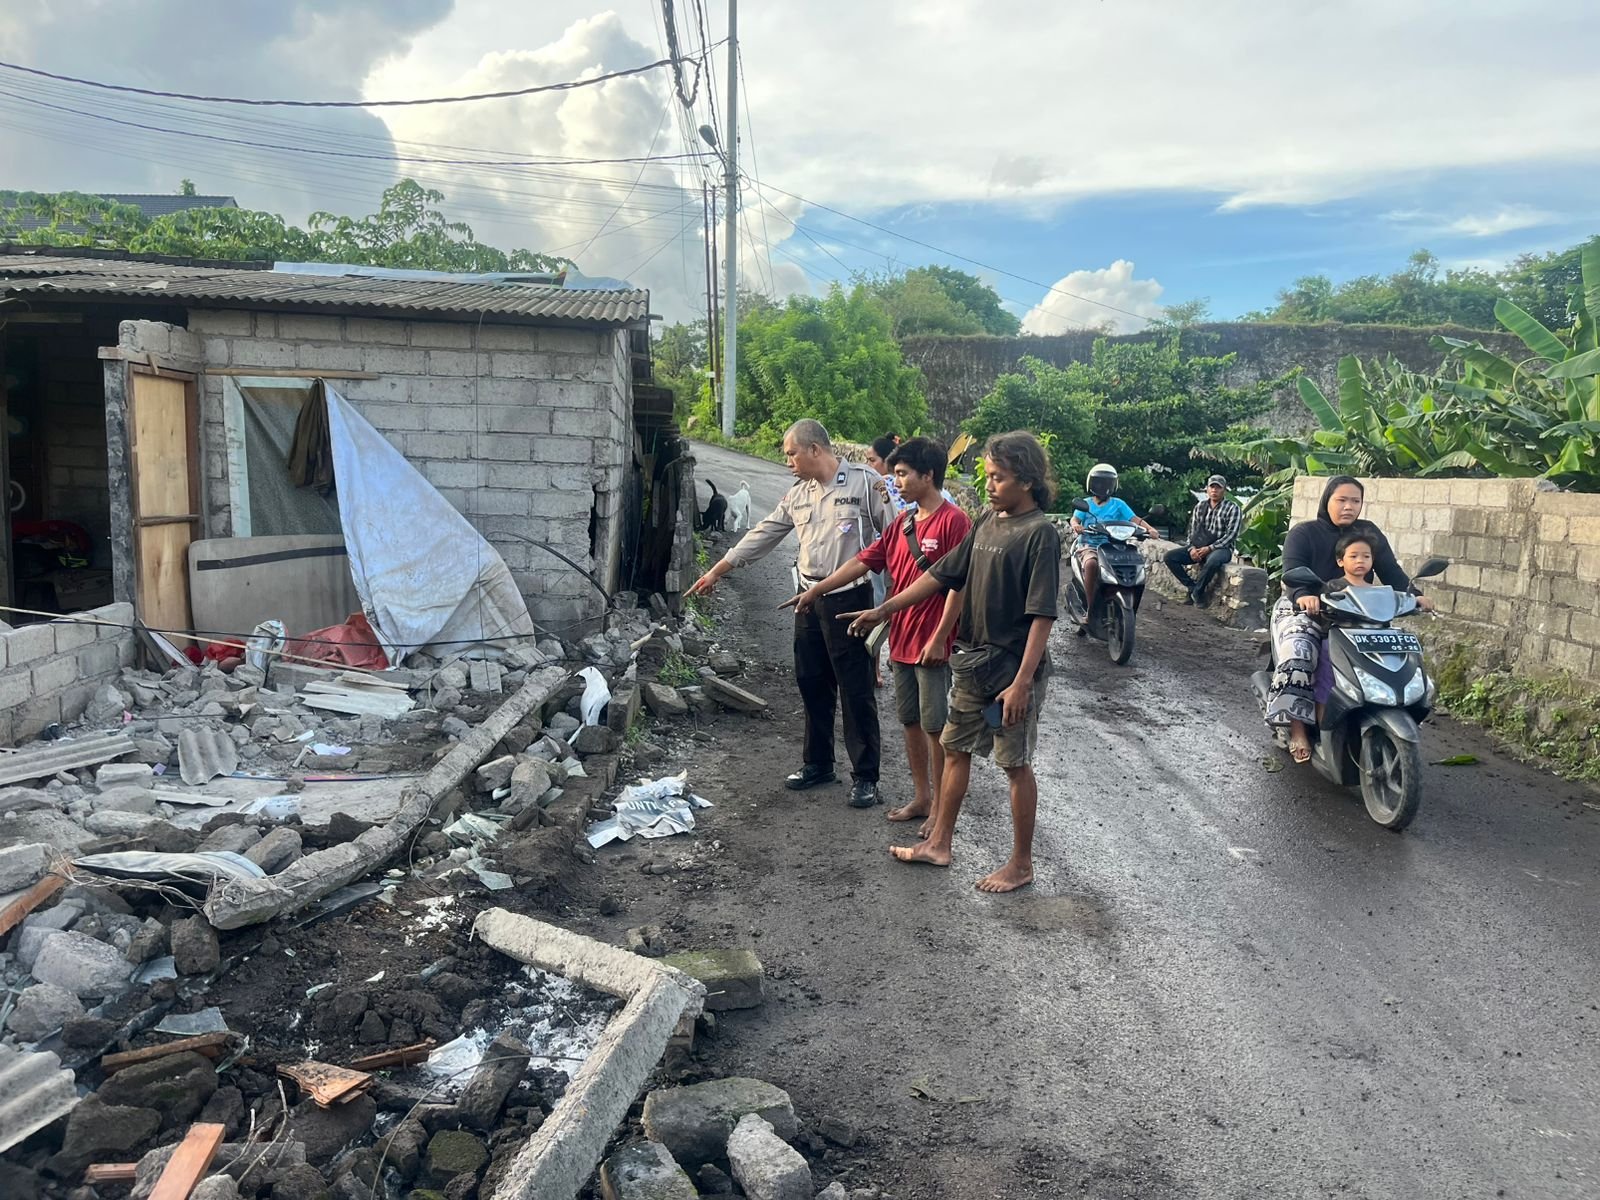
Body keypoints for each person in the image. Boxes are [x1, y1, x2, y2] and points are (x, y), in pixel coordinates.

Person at [842, 430, 1060, 894]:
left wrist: (1022, 682)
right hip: (972, 663)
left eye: (998, 478)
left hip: (1010, 669)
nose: (990, 486)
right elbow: (942, 576)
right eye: (988, 477)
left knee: (1014, 764)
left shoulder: (1039, 533)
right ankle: (940, 842)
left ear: (1026, 480)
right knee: (955, 749)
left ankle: (1021, 863)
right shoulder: (987, 520)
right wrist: (885, 610)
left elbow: (1042, 616)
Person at [686, 419, 896, 807]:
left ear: (815, 449)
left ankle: (866, 776)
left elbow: (896, 536)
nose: (788, 462)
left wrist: (892, 607)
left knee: (856, 689)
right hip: (807, 597)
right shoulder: (799, 494)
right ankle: (818, 763)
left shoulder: (865, 483)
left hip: (850, 599)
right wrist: (718, 569)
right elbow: (764, 532)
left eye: (792, 453)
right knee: (811, 682)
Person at [782, 436, 971, 834]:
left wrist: (941, 637)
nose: (895, 482)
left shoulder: (954, 521)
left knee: (936, 727)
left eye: (902, 474)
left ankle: (939, 809)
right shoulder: (904, 523)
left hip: (931, 642)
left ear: (928, 475)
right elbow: (864, 559)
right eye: (895, 473)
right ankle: (922, 797)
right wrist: (816, 589)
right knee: (910, 722)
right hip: (901, 641)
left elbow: (960, 585)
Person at [1269, 474, 1434, 762]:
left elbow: (1391, 571)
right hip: (1307, 610)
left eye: (1355, 500)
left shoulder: (1368, 533)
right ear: (1327, 500)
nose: (1348, 506)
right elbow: (1291, 572)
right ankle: (1297, 729)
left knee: (1388, 651)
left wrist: (1413, 595)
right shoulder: (1304, 533)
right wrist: (1304, 595)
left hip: (1358, 612)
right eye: (1341, 500)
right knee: (1300, 653)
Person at [1069, 463, 1157, 628]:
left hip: (1115, 547)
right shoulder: (1086, 503)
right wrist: (1076, 525)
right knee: (1091, 564)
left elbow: (1135, 520)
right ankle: (1090, 609)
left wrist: (1149, 529)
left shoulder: (1119, 504)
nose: (1103, 487)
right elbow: (1075, 519)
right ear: (1091, 483)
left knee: (1135, 563)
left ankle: (1127, 605)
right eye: (1099, 482)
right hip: (1090, 545)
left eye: (1107, 483)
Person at [1163, 474, 1244, 607]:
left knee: (1214, 561)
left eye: (1218, 488)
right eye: (1212, 487)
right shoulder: (1200, 506)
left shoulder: (1232, 508)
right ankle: (1191, 586)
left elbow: (1231, 535)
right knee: (1169, 557)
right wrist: (1191, 548)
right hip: (1198, 546)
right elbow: (1192, 531)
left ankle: (1198, 592)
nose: (1214, 490)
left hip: (1221, 548)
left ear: (1224, 490)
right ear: (1207, 489)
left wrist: (1210, 548)